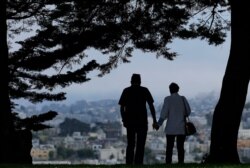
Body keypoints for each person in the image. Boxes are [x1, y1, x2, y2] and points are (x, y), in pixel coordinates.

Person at [118, 73, 158, 165]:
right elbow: (151, 106)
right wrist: (154, 120)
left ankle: (129, 163)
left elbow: (122, 108)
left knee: (130, 144)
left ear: (131, 81)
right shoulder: (144, 90)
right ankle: (138, 163)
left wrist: (124, 120)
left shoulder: (126, 91)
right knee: (140, 145)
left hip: (130, 122)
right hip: (142, 121)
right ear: (140, 81)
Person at [154, 82, 191, 164]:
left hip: (170, 128)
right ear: (178, 90)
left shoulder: (167, 99)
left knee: (169, 147)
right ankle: (181, 162)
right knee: (180, 147)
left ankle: (168, 163)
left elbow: (163, 114)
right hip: (181, 128)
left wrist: (158, 124)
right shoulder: (183, 99)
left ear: (170, 90)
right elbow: (188, 111)